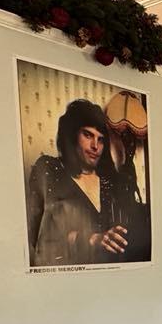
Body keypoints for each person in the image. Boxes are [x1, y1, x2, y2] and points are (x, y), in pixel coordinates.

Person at [25, 99, 144, 267]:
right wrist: (92, 238)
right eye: (88, 135)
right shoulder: (50, 169)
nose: (95, 146)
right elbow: (38, 234)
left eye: (101, 139)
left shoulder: (110, 181)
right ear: (72, 135)